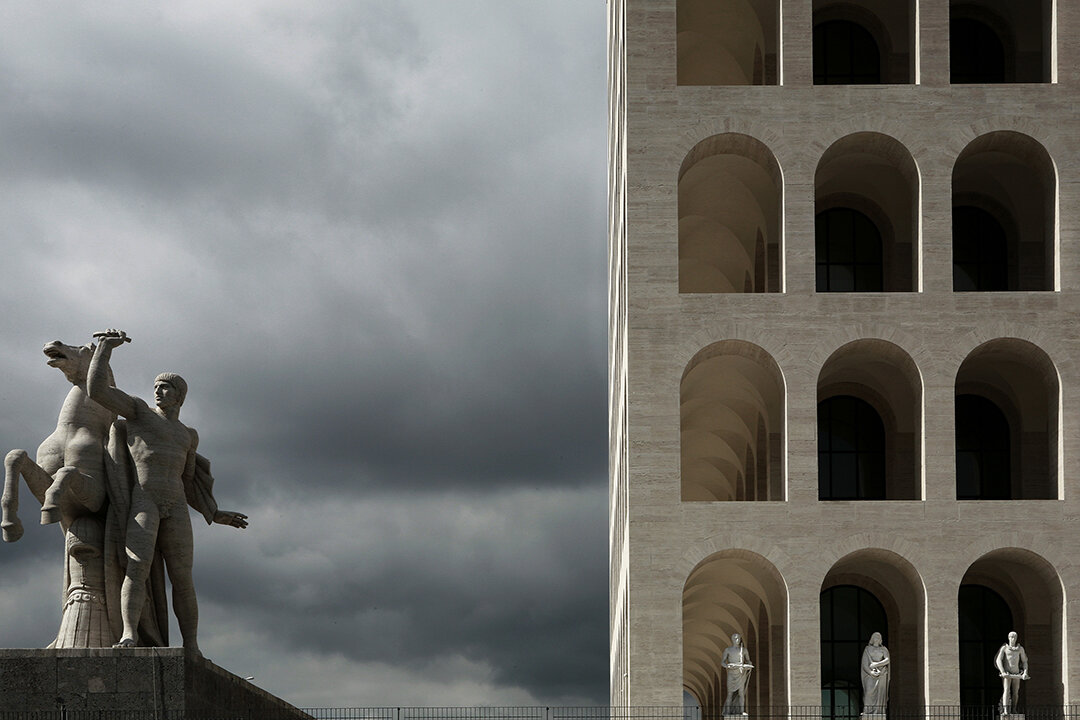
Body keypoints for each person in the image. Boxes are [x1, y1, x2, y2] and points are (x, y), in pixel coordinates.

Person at [87, 329, 247, 654]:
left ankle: (191, 646)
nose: (158, 390)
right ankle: (129, 634)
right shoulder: (140, 413)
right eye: (156, 386)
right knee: (137, 566)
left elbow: (188, 481)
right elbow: (97, 390)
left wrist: (213, 513)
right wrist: (104, 349)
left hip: (176, 507)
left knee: (183, 578)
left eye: (166, 387)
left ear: (179, 396)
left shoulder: (188, 435)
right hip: (144, 502)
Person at [994, 631, 1029, 715]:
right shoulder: (1004, 648)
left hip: (1016, 674)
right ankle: (1006, 710)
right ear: (1008, 638)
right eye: (1011, 637)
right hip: (1007, 674)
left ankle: (1014, 709)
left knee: (1015, 692)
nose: (1013, 639)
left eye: (1014, 637)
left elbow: (1024, 661)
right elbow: (998, 660)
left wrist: (1025, 672)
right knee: (1006, 690)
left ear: (1016, 638)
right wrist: (1002, 671)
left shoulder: (1020, 649)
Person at [720, 632, 754, 715]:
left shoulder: (744, 650)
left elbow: (748, 660)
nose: (737, 640)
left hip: (741, 673)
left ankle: (741, 711)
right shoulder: (728, 650)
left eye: (738, 638)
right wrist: (728, 666)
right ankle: (728, 712)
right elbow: (722, 662)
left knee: (741, 693)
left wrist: (748, 665)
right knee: (730, 693)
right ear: (732, 640)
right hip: (732, 673)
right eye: (735, 638)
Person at [860, 632, 890, 715]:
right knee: (869, 691)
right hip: (870, 674)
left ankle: (878, 711)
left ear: (880, 639)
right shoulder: (867, 649)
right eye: (875, 637)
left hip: (881, 673)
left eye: (878, 637)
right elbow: (864, 664)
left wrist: (877, 664)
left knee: (880, 693)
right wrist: (870, 672)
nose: (877, 638)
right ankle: (868, 711)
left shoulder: (884, 649)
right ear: (872, 639)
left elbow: (887, 660)